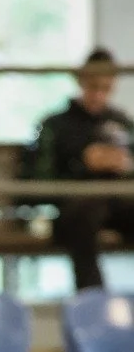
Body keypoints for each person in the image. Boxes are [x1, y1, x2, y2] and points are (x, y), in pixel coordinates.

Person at [33, 48, 134, 291]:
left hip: (118, 201)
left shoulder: (122, 124)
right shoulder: (56, 125)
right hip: (76, 204)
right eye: (93, 86)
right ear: (81, 81)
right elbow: (39, 179)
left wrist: (125, 166)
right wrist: (81, 164)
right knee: (84, 217)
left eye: (106, 88)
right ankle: (94, 300)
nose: (98, 95)